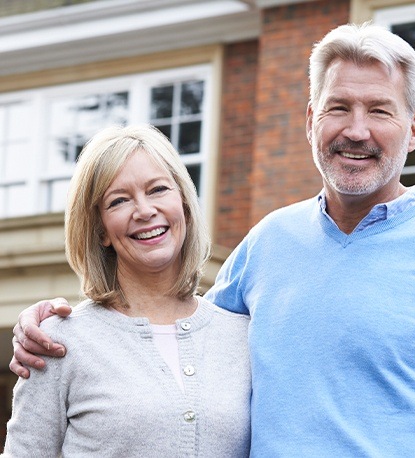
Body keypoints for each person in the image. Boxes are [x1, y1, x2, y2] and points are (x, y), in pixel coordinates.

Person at [10, 22, 415, 456]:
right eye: (338, 107)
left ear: (412, 128)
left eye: (379, 110)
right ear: (311, 120)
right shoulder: (266, 245)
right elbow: (177, 335)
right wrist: (58, 323)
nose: (356, 130)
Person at [4, 124, 251, 456]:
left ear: (185, 206)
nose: (145, 210)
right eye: (119, 200)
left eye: (158, 189)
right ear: (101, 230)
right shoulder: (59, 343)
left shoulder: (243, 336)